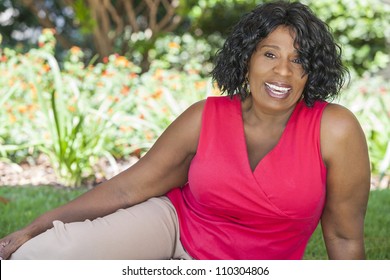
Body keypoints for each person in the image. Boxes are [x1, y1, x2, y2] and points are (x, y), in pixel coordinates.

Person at [0, 0, 370, 260]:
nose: (283, 72)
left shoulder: (334, 130)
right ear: (247, 60)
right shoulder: (205, 116)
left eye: (298, 59)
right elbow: (130, 186)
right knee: (39, 257)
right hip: (174, 224)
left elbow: (342, 234)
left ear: (313, 69)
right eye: (269, 54)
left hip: (248, 267)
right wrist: (37, 227)